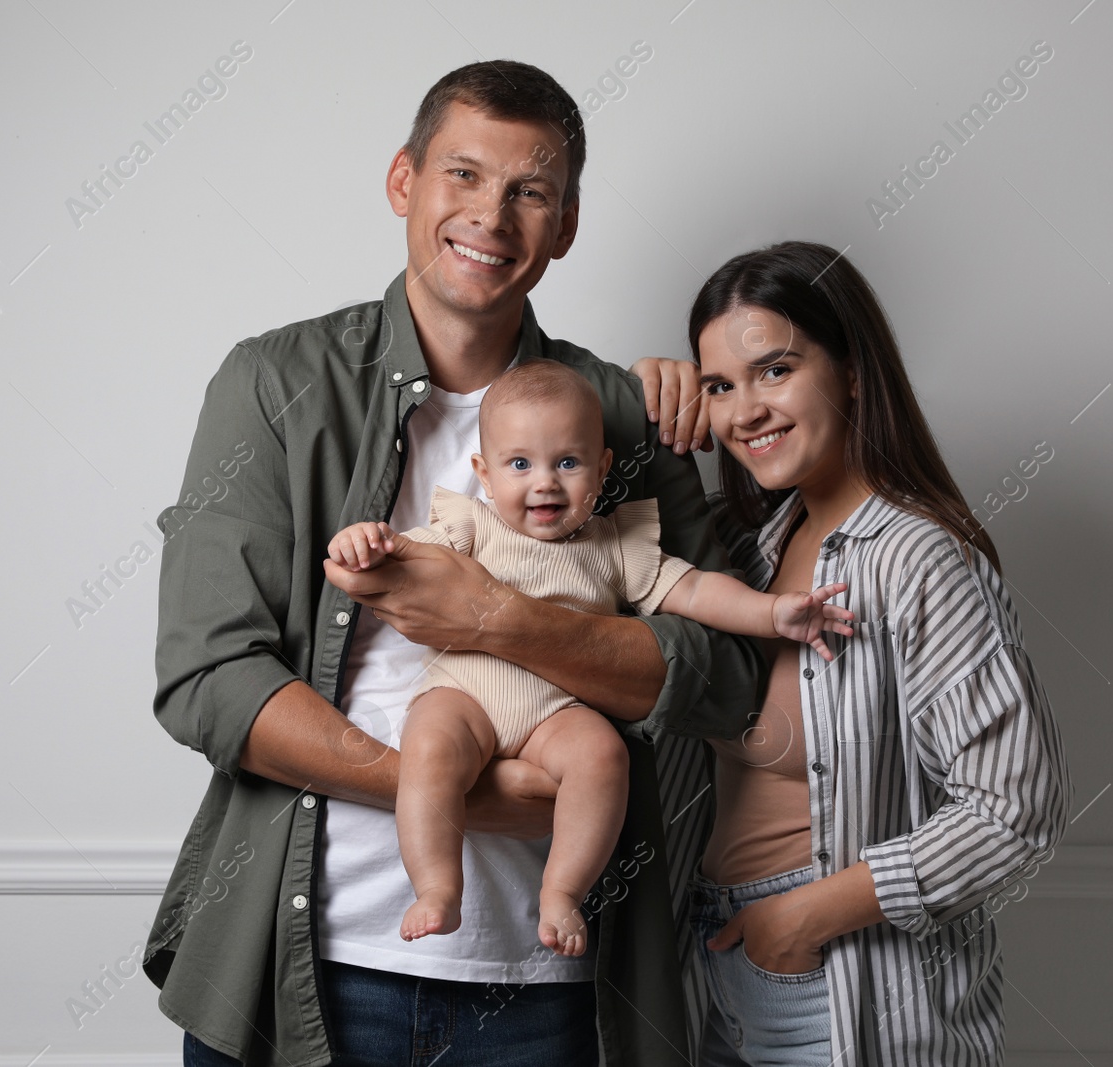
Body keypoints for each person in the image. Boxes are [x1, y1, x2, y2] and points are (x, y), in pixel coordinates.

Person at [143, 60, 767, 1067]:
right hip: (302, 958)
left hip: (549, 989)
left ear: (565, 224)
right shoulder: (274, 384)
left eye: (531, 191)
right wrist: (445, 788)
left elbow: (723, 681)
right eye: (463, 176)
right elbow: (209, 677)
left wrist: (497, 618)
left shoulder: (621, 418)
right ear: (404, 181)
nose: (491, 215)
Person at [631, 240, 1073, 1065]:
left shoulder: (915, 557)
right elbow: (582, 538)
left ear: (854, 371)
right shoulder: (748, 553)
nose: (743, 411)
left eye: (776, 370)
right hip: (715, 968)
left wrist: (803, 918)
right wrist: (636, 403)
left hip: (841, 984)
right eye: (720, 385)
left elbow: (1014, 806)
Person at [325, 360, 854, 958]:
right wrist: (363, 542)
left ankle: (562, 890)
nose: (545, 483)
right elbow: (399, 558)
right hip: (465, 695)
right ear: (485, 474)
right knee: (429, 749)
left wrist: (772, 612)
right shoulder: (470, 527)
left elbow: (700, 591)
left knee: (603, 755)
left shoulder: (616, 546)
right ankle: (438, 885)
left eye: (567, 463)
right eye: (520, 464)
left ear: (603, 469)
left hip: (557, 709)